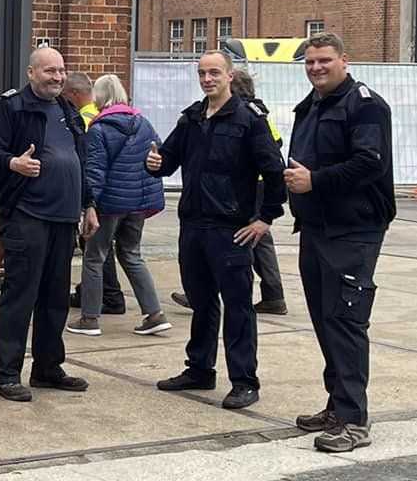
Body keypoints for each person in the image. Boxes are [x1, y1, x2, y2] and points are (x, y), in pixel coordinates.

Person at [145, 49, 284, 409]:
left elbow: (274, 171)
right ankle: (200, 369)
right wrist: (155, 163)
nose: (208, 80)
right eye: (202, 74)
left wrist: (264, 219)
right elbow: (168, 160)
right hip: (193, 226)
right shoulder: (193, 117)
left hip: (231, 229)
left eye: (214, 74)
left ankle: (244, 381)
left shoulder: (248, 119)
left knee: (238, 306)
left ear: (228, 76)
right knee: (202, 303)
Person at [283, 32, 396, 453]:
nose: (316, 68)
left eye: (324, 61)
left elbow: (369, 163)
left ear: (344, 60)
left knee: (346, 322)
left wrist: (315, 181)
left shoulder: (365, 105)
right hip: (316, 228)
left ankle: (353, 421)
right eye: (310, 62)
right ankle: (336, 405)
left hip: (353, 230)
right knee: (325, 320)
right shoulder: (311, 105)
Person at [0, 45, 98, 402]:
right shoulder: (12, 107)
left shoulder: (68, 110)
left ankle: (47, 368)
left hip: (64, 218)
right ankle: (7, 374)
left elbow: (81, 161)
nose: (58, 77)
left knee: (55, 298)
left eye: (61, 71)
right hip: (27, 215)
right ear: (31, 73)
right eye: (49, 71)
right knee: (20, 296)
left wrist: (88, 205)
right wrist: (13, 163)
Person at [171, 69, 289, 315]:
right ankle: (271, 294)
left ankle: (270, 294)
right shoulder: (254, 113)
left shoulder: (247, 115)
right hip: (248, 187)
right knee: (256, 241)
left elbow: (271, 155)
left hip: (246, 187)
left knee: (253, 240)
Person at [72, 73, 172, 337]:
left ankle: (89, 319)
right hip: (138, 203)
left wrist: (88, 204)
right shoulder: (144, 123)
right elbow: (158, 154)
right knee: (132, 255)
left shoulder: (98, 128)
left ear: (99, 97)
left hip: (109, 204)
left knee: (94, 257)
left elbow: (94, 170)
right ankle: (154, 314)